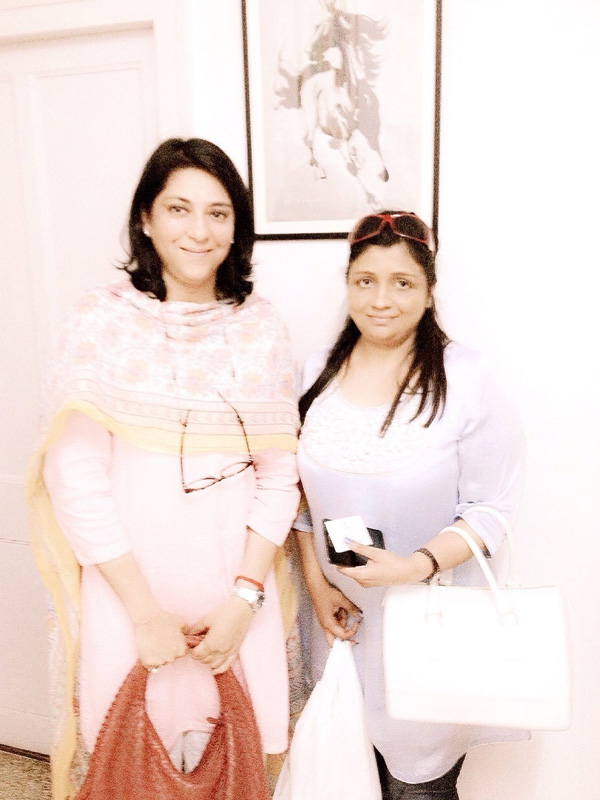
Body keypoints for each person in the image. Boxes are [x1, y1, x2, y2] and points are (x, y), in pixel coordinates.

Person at [26, 138, 300, 798]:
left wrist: (243, 601)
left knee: (234, 770)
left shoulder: (261, 328)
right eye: (179, 209)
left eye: (218, 213)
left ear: (237, 228)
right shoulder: (102, 322)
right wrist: (145, 614)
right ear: (145, 219)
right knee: (131, 771)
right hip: (129, 604)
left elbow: (278, 477)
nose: (199, 231)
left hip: (235, 604)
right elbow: (77, 481)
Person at [293, 211, 527, 800]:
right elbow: (300, 500)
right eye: (365, 281)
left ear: (428, 292)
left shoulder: (465, 378)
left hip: (430, 628)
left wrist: (414, 566)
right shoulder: (317, 371)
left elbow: (491, 509)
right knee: (343, 778)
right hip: (340, 624)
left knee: (417, 786)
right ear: (348, 285)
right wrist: (317, 588)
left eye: (402, 283)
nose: (381, 300)